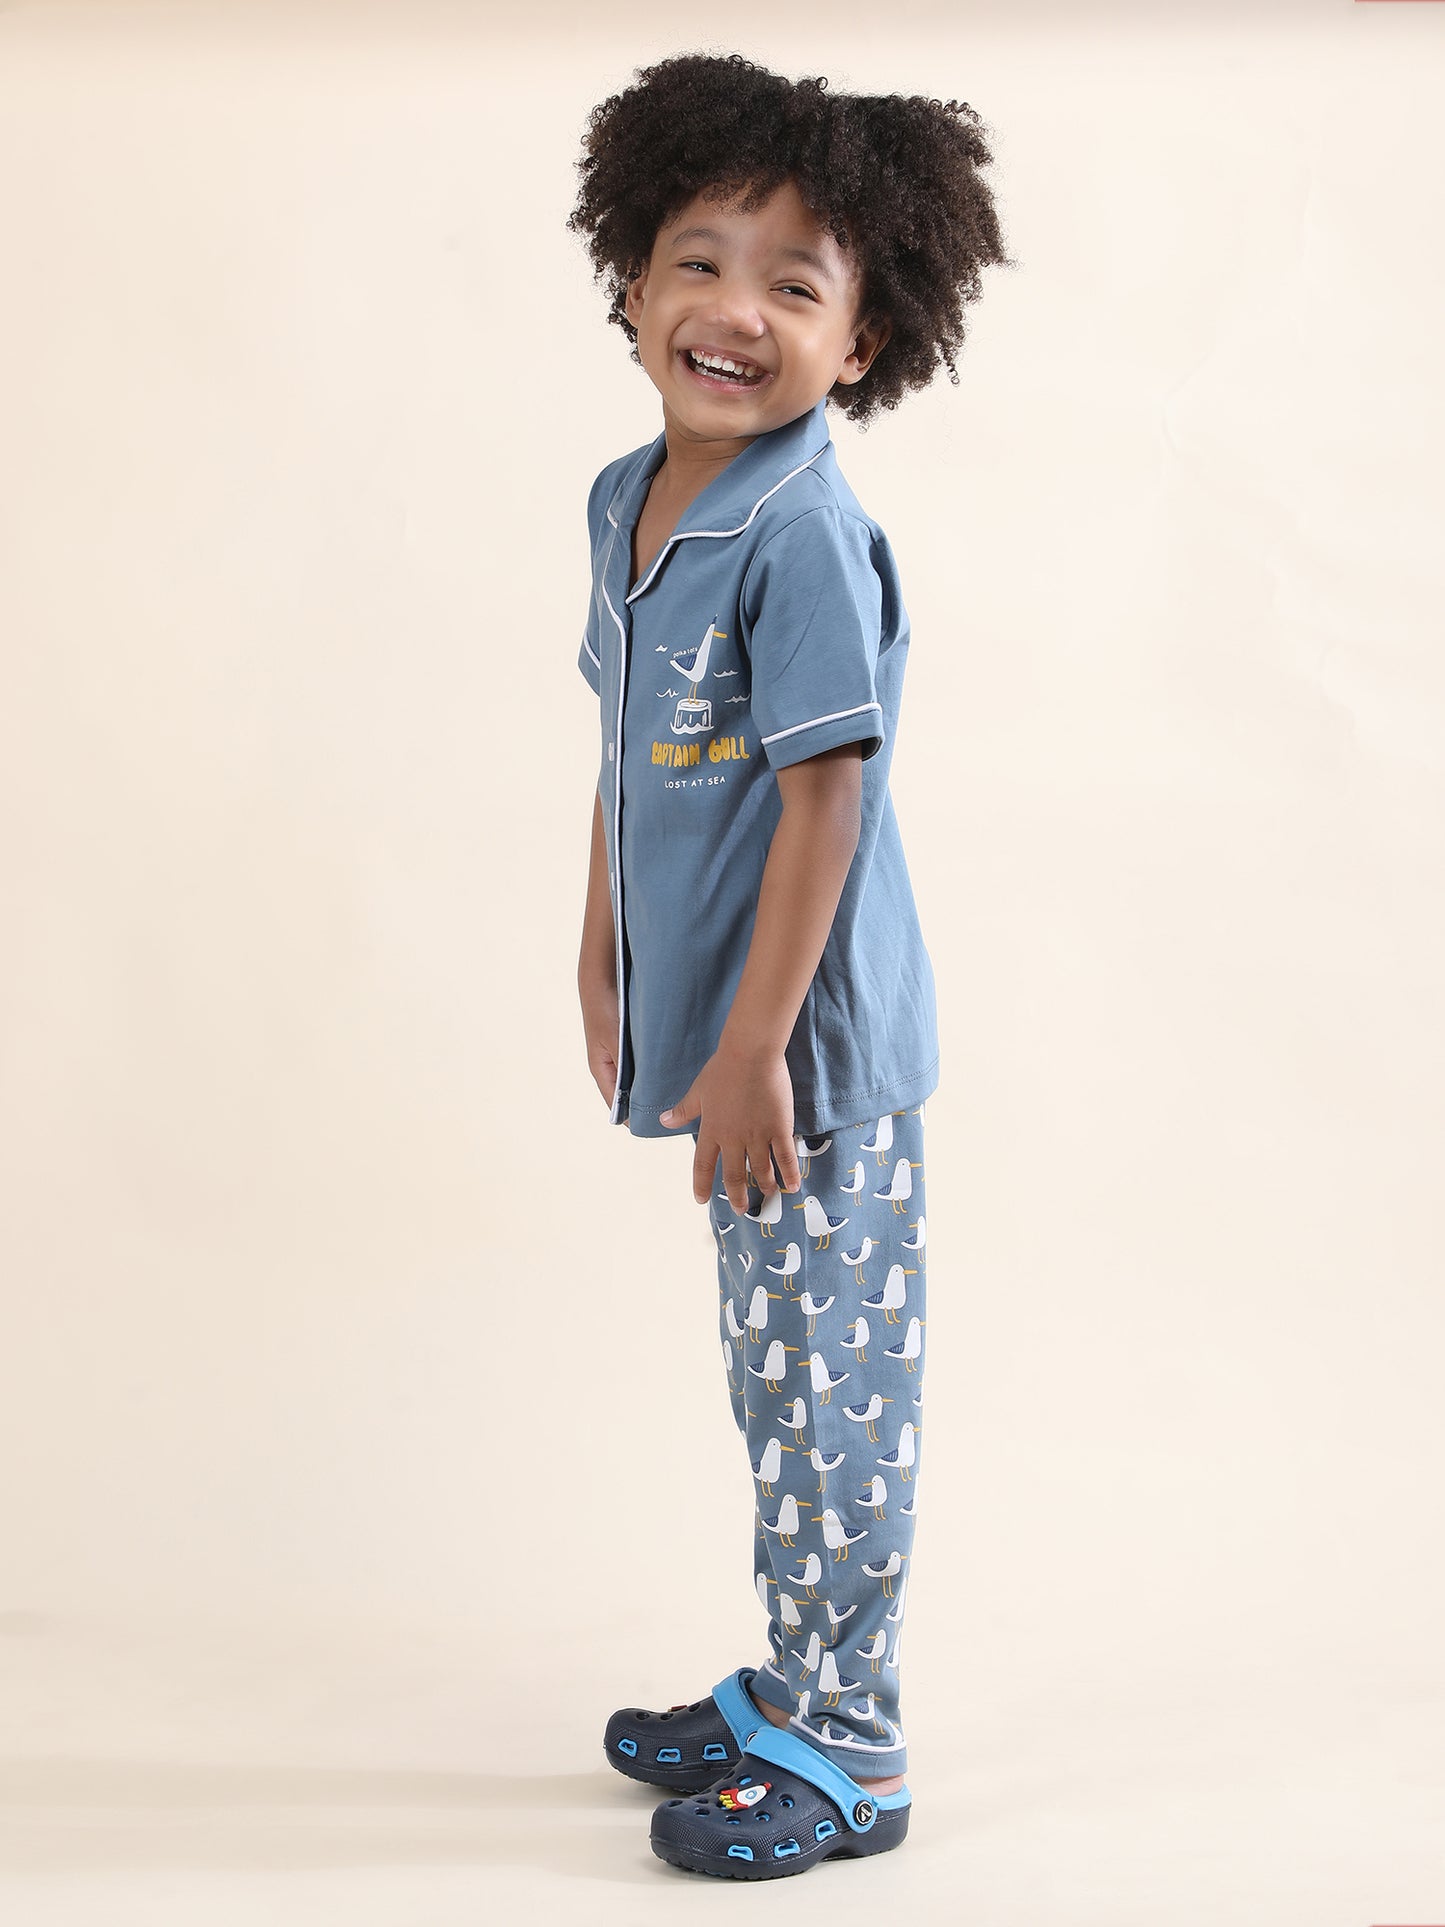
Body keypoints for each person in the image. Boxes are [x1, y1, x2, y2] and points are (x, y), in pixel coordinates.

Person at [568, 51, 1012, 1880]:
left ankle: (854, 1745)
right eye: (698, 259)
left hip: (810, 1051)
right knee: (774, 1376)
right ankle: (794, 1683)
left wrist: (752, 1045)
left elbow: (830, 793)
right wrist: (601, 944)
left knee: (834, 1393)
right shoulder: (629, 499)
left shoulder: (808, 531)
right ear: (629, 284)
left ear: (861, 342)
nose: (733, 309)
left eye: (795, 284)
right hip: (725, 1034)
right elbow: (624, 748)